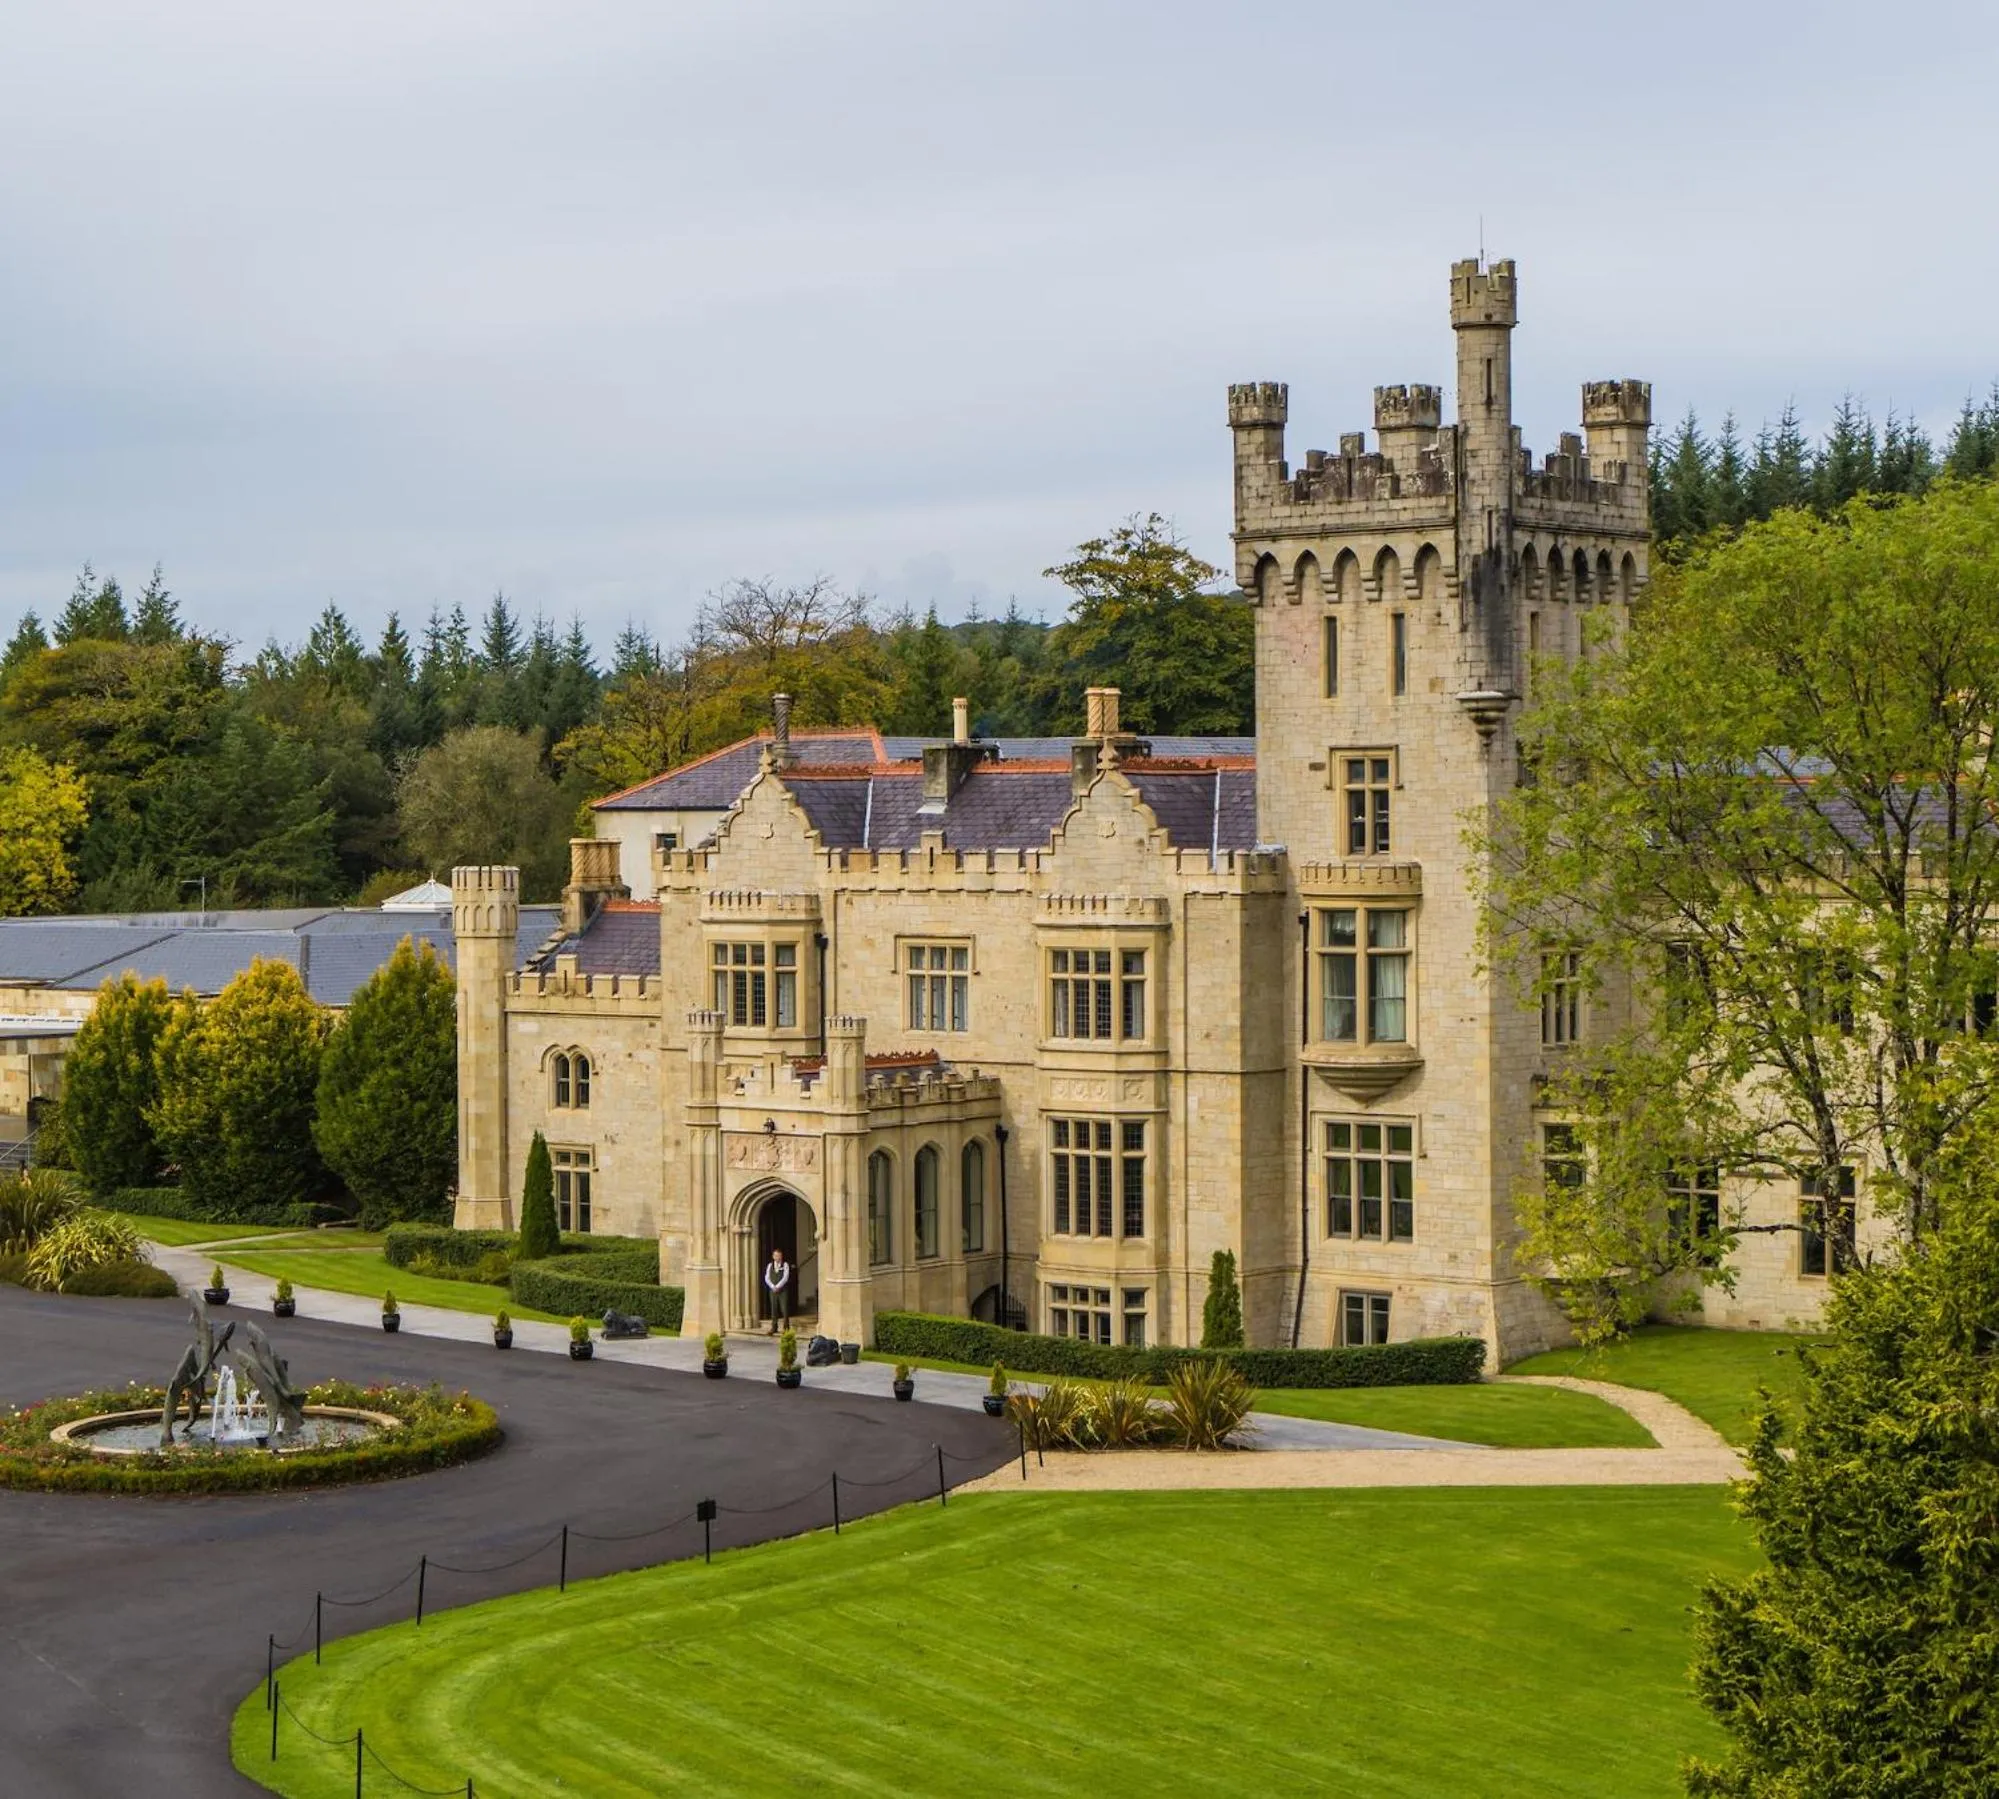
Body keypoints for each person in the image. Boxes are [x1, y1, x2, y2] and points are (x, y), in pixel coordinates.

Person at [763, 1247, 791, 1335]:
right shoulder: (770, 1265)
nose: (777, 1257)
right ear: (773, 1256)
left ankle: (786, 1328)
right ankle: (774, 1327)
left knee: (784, 1308)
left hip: (782, 1290)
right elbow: (767, 1277)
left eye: (779, 1256)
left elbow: (785, 1277)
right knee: (774, 1308)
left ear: (781, 1256)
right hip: (773, 1290)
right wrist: (772, 1286)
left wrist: (778, 1286)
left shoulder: (785, 1264)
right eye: (775, 1256)